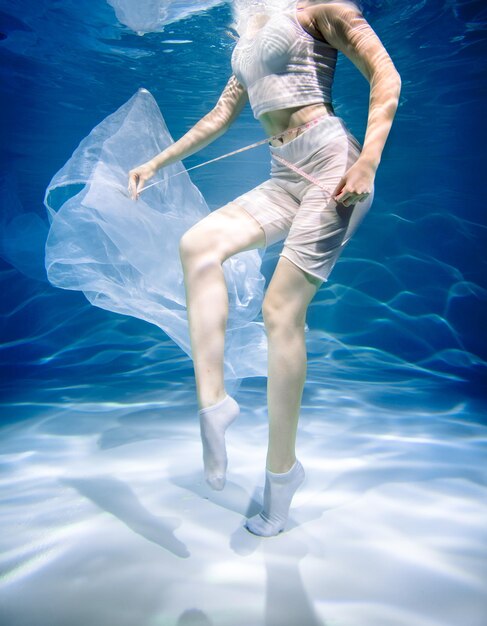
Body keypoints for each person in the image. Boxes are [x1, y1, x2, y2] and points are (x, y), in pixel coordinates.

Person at [128, 0, 401, 537]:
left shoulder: (322, 10)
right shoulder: (247, 35)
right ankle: (213, 406)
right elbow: (219, 115)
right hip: (284, 173)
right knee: (197, 244)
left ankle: (282, 475)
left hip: (332, 166)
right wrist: (155, 163)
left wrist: (368, 159)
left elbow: (385, 74)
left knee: (281, 312)